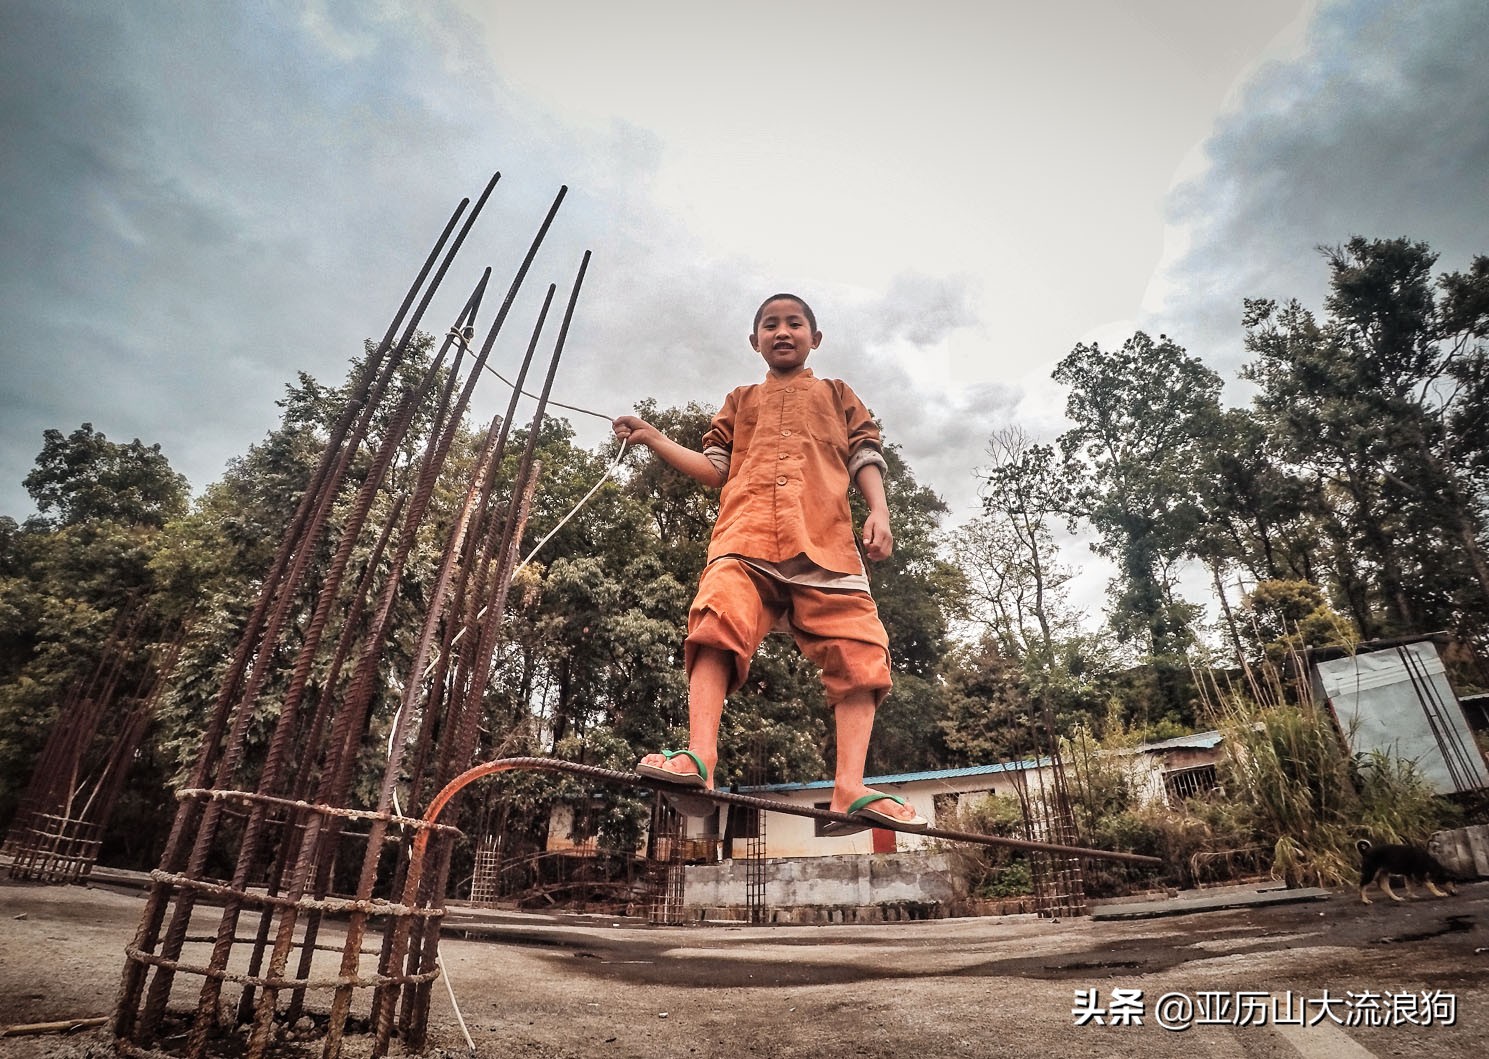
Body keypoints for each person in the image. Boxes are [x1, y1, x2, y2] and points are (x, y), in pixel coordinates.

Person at [611, 293, 926, 834]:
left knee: (862, 650)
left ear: (814, 338)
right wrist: (655, 438)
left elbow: (864, 454)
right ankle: (700, 758)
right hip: (744, 538)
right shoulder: (740, 401)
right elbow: (715, 468)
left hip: (826, 544)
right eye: (770, 324)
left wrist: (879, 510)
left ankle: (849, 790)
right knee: (715, 621)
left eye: (795, 323)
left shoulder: (837, 394)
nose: (783, 331)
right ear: (754, 340)